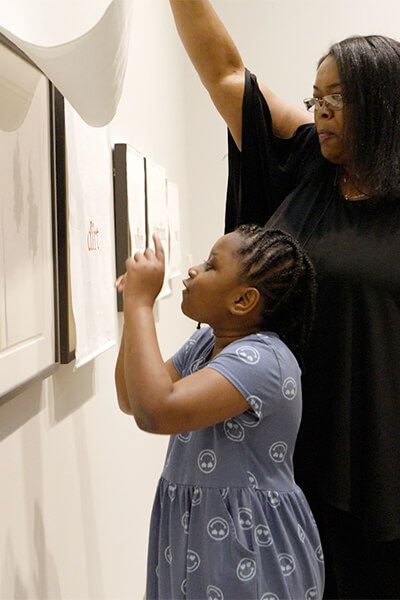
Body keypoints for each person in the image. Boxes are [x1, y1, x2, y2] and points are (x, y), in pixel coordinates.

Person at [169, 2, 400, 598]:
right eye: (315, 94)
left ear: (382, 105)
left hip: (378, 457)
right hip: (274, 451)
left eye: (339, 97)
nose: (320, 108)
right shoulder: (306, 165)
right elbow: (226, 73)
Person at [115, 227, 323, 600]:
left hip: (247, 542)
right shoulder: (205, 342)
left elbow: (156, 412)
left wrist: (141, 305)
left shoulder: (263, 359)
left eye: (211, 266)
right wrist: (133, 313)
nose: (194, 270)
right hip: (194, 533)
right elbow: (132, 397)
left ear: (243, 300)